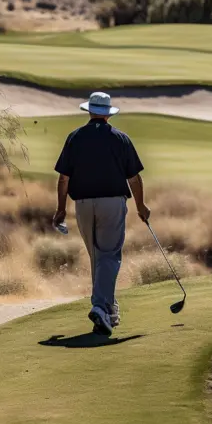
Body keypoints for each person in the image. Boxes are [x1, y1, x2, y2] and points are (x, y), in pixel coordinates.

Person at [52, 91, 150, 336]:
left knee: (99, 257)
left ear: (89, 111)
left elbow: (64, 178)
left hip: (83, 205)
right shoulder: (121, 138)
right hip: (112, 203)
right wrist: (141, 206)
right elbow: (134, 178)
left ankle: (108, 310)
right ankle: (101, 306)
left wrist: (61, 209)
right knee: (108, 256)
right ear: (107, 114)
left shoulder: (74, 138)